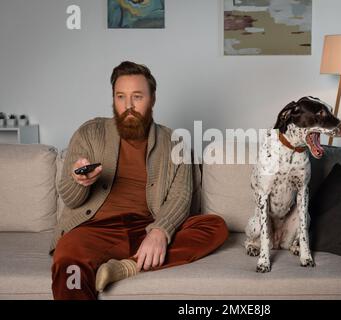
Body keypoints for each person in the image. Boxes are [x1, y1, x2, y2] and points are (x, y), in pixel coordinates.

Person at [50, 61, 228, 300]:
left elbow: (180, 197)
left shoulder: (174, 142)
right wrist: (78, 180)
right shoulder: (90, 133)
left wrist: (160, 232)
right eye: (120, 97)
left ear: (152, 99)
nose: (128, 106)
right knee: (68, 260)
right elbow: (70, 200)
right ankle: (137, 261)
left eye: (137, 97)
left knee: (214, 226)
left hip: (145, 228)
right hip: (95, 229)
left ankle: (126, 267)